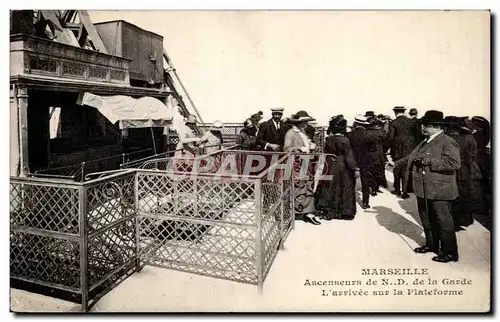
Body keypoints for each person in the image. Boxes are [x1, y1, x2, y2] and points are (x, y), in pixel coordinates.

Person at [405, 110, 461, 263]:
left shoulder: (447, 141)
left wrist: (429, 162)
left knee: (443, 221)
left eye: (425, 125)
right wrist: (396, 164)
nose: (422, 128)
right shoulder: (427, 140)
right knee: (426, 218)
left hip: (439, 189)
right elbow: (413, 156)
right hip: (424, 188)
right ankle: (432, 245)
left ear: (434, 126)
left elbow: (454, 163)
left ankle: (450, 253)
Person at [317, 115, 359, 220]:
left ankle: (330, 211)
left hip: (331, 164)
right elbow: (349, 156)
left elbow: (325, 152)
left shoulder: (329, 139)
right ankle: (346, 212)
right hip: (343, 166)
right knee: (346, 188)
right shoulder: (345, 140)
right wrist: (355, 168)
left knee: (331, 187)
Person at [444, 116, 483, 230]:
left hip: (449, 170)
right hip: (464, 170)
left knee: (449, 196)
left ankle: (451, 221)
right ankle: (462, 220)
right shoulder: (469, 137)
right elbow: (473, 155)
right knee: (463, 194)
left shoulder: (446, 138)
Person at [283, 110, 321, 225]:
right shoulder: (290, 133)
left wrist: (313, 146)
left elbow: (308, 144)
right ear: (298, 122)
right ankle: (293, 212)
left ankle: (307, 212)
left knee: (308, 186)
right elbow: (286, 149)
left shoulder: (303, 132)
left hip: (306, 163)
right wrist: (299, 149)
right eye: (305, 121)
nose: (307, 123)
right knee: (297, 187)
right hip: (296, 165)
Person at [388, 106, 419, 197]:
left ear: (395, 112)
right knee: (406, 170)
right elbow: (417, 136)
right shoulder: (411, 122)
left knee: (396, 169)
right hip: (410, 149)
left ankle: (397, 189)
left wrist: (391, 148)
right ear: (404, 112)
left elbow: (391, 138)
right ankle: (405, 191)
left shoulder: (393, 122)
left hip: (397, 150)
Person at [349, 115, 376, 209]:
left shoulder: (350, 135)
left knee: (351, 181)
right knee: (365, 181)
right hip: (365, 160)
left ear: (356, 123)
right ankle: (365, 203)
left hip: (352, 159)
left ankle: (351, 201)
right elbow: (373, 149)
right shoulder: (369, 135)